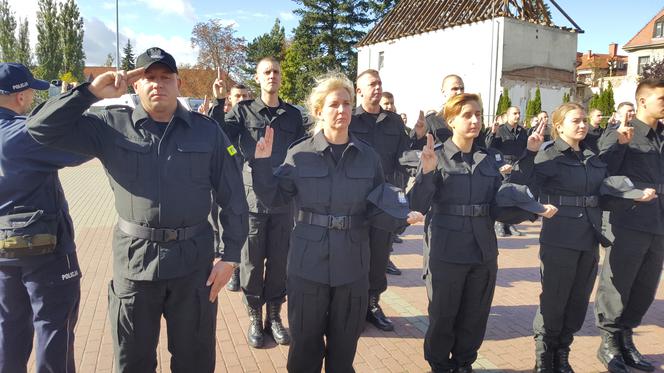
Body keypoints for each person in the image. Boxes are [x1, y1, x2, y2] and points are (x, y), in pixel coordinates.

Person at [26, 47, 249, 373]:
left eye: (165, 77)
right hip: (135, 265)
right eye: (149, 77)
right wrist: (88, 93)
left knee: (195, 361)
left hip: (193, 266)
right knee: (133, 362)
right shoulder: (111, 126)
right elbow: (40, 128)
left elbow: (233, 196)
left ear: (179, 83)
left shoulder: (207, 132)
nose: (158, 84)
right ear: (135, 85)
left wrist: (230, 256)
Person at [250, 72, 423, 372]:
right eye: (333, 104)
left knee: (344, 349)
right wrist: (263, 165)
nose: (342, 110)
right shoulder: (299, 154)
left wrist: (402, 216)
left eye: (346, 103)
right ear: (319, 111)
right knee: (305, 347)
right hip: (308, 266)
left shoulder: (368, 158)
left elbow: (379, 206)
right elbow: (274, 198)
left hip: (353, 265)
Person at [409, 93, 557, 373]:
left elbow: (506, 197)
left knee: (475, 316)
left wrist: (530, 155)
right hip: (447, 250)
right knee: (443, 316)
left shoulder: (489, 159)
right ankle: (440, 366)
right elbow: (418, 205)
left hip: (483, 249)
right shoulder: (436, 156)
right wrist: (426, 173)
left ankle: (464, 364)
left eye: (478, 114)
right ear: (451, 120)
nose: (475, 120)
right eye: (467, 115)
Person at [509, 103, 655, 373]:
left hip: (588, 237)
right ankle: (545, 358)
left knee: (577, 301)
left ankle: (563, 354)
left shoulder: (591, 155)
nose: (582, 125)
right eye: (575, 120)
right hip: (559, 237)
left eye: (584, 120)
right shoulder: (549, 154)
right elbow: (524, 184)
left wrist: (633, 191)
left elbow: (607, 184)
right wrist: (529, 152)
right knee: (554, 300)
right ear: (559, 125)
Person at [0, 63, 90, 373]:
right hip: (46, 252)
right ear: (21, 97)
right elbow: (80, 151)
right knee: (54, 329)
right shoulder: (20, 134)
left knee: (9, 332)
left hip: (3, 253)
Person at [212, 56, 305, 348]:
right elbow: (218, 136)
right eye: (266, 71)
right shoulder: (244, 111)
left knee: (279, 263)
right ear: (258, 77)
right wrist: (218, 103)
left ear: (281, 77)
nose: (272, 76)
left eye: (276, 71)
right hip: (252, 199)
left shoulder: (292, 115)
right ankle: (255, 317)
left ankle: (274, 317)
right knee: (251, 264)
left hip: (282, 200)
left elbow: (303, 151)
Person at [594, 79, 664, 373]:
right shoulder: (623, 133)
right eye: (661, 98)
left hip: (658, 223)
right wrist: (618, 143)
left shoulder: (662, 135)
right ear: (642, 102)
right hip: (629, 221)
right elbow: (603, 169)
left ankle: (626, 339)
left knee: (646, 286)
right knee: (618, 284)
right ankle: (609, 342)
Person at [350, 69, 414, 331]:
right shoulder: (350, 119)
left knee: (378, 257)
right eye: (371, 84)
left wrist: (421, 160)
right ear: (359, 90)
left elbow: (404, 155)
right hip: (353, 199)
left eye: (379, 84)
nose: (377, 88)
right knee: (352, 254)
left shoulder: (394, 122)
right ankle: (351, 306)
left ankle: (372, 304)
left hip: (383, 201)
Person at [207, 69, 251, 292]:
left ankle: (242, 268)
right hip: (226, 184)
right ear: (231, 100)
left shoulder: (254, 120)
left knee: (248, 230)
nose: (243, 100)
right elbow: (213, 126)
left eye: (246, 97)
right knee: (227, 226)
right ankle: (232, 269)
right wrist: (218, 100)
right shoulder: (227, 122)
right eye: (238, 97)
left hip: (250, 184)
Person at [486, 106, 529, 237]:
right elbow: (489, 147)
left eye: (519, 113)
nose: (517, 116)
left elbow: (525, 148)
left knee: (514, 195)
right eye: (514, 113)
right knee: (503, 194)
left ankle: (510, 224)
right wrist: (493, 133)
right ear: (508, 115)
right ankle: (499, 223)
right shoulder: (501, 129)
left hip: (517, 166)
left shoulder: (522, 131)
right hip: (504, 166)